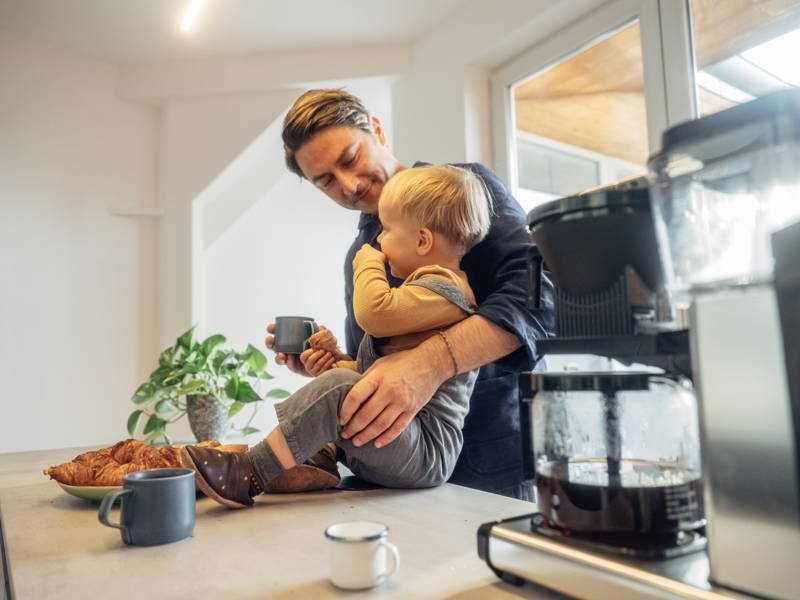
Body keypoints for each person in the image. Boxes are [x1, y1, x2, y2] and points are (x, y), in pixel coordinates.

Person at [267, 89, 555, 501]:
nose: (348, 185)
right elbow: (383, 370)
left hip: (492, 471)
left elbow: (538, 299)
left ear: (377, 130)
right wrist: (332, 366)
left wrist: (432, 363)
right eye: (326, 180)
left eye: (349, 158)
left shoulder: (462, 191)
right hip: (394, 478)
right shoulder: (361, 253)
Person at [181, 165, 492, 508]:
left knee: (342, 387)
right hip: (393, 438)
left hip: (426, 452)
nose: (378, 241)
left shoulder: (445, 290)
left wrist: (367, 265)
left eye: (387, 230)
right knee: (342, 379)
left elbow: (374, 313)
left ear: (422, 240)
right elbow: (379, 380)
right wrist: (336, 361)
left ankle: (249, 472)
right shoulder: (422, 296)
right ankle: (316, 460)